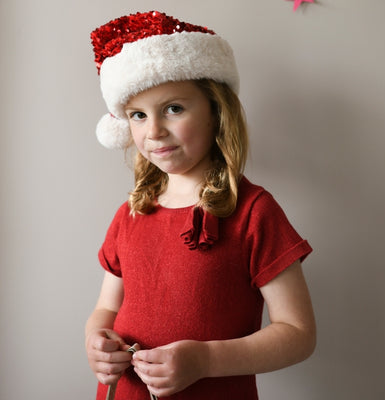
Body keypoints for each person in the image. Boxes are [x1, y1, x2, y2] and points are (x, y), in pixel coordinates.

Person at [85, 11, 316, 400]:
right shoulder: (131, 213)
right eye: (138, 115)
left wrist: (206, 360)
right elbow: (106, 309)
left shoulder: (254, 212)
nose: (154, 130)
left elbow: (298, 333)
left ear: (216, 113)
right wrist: (96, 343)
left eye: (173, 108)